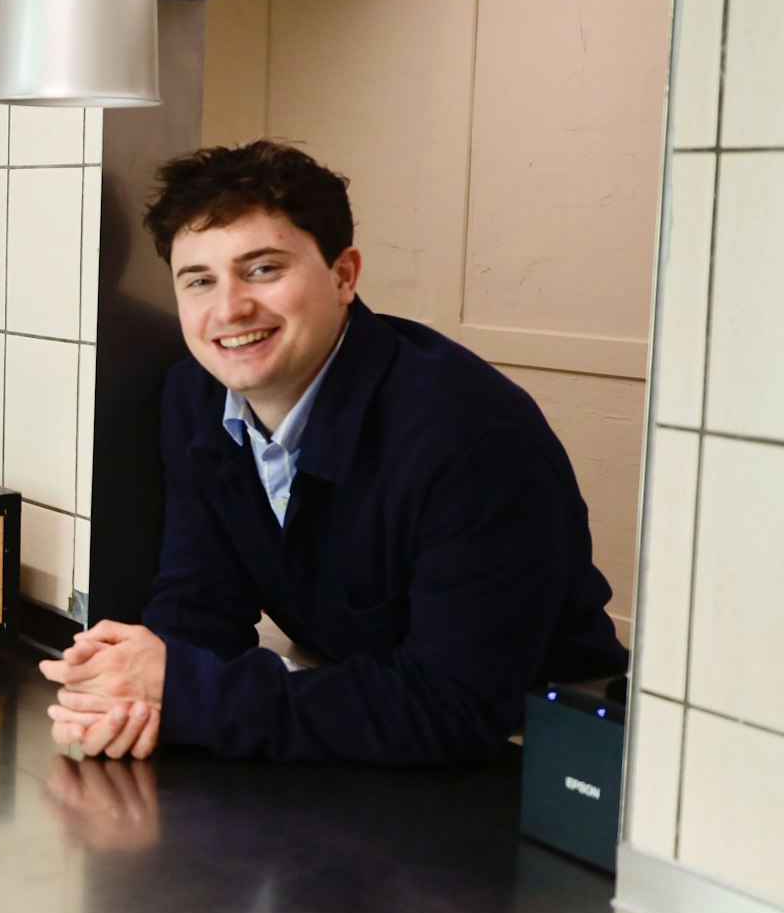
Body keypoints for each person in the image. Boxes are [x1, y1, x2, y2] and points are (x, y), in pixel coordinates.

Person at [41, 140, 627, 766]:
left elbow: (454, 707)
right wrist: (134, 694)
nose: (230, 307)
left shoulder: (470, 442)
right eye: (199, 281)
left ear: (344, 275)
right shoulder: (194, 396)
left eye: (263, 269)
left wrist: (187, 691)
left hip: (537, 759)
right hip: (366, 734)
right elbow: (201, 598)